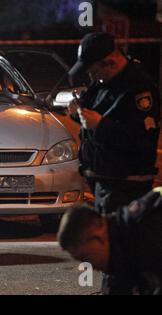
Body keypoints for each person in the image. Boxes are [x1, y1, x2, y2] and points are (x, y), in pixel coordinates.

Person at [68, 32, 160, 214]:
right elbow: (94, 109)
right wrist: (79, 114)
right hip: (104, 181)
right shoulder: (104, 81)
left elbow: (141, 140)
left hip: (126, 186)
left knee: (122, 239)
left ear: (110, 62)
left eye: (93, 71)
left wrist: (100, 125)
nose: (92, 77)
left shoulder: (138, 88)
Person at [58, 189, 162, 295]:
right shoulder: (122, 249)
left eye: (86, 257)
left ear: (97, 232)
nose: (91, 266)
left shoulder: (147, 228)